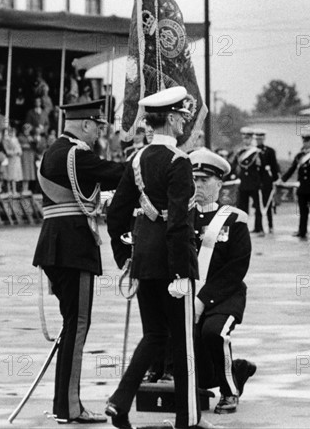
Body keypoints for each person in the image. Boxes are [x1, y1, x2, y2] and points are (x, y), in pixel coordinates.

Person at [105, 86, 207, 429]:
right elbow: (179, 222)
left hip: (145, 259)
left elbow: (116, 213)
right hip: (171, 263)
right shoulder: (178, 162)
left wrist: (125, 256)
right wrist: (181, 272)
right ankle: (187, 419)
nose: (184, 123)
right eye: (182, 117)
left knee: (153, 336)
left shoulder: (136, 160)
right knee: (183, 343)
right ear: (173, 117)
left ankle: (120, 402)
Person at [32, 99, 124, 424]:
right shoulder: (77, 155)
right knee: (78, 325)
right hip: (74, 245)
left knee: (71, 324)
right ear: (86, 124)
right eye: (99, 128)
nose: (99, 135)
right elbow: (118, 174)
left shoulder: (52, 152)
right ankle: (70, 407)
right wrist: (146, 157)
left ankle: (64, 404)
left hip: (53, 244)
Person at [189, 148, 257, 415]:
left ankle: (229, 391)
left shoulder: (235, 219)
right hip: (189, 294)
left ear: (219, 184)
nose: (197, 185)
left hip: (225, 296)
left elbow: (237, 267)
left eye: (204, 180)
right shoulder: (183, 217)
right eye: (194, 179)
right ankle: (235, 370)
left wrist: (203, 300)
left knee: (213, 333)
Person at [278, 130, 310, 238]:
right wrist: (283, 179)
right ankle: (302, 230)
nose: (306, 143)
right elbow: (292, 168)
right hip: (302, 186)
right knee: (302, 211)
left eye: (308, 141)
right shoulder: (299, 156)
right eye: (304, 141)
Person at [233, 127, 263, 235]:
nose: (246, 140)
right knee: (242, 208)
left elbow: (261, 169)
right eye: (245, 138)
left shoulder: (257, 152)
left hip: (254, 183)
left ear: (251, 139)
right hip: (243, 183)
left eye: (248, 138)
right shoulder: (239, 152)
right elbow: (234, 167)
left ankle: (259, 227)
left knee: (258, 207)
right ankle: (242, 228)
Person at [254, 129, 280, 233]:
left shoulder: (270, 151)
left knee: (268, 204)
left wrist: (275, 180)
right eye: (257, 139)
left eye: (260, 138)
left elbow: (274, 166)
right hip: (256, 181)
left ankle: (270, 226)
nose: (259, 140)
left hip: (267, 181)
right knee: (257, 205)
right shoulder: (253, 150)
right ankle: (258, 227)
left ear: (263, 139)